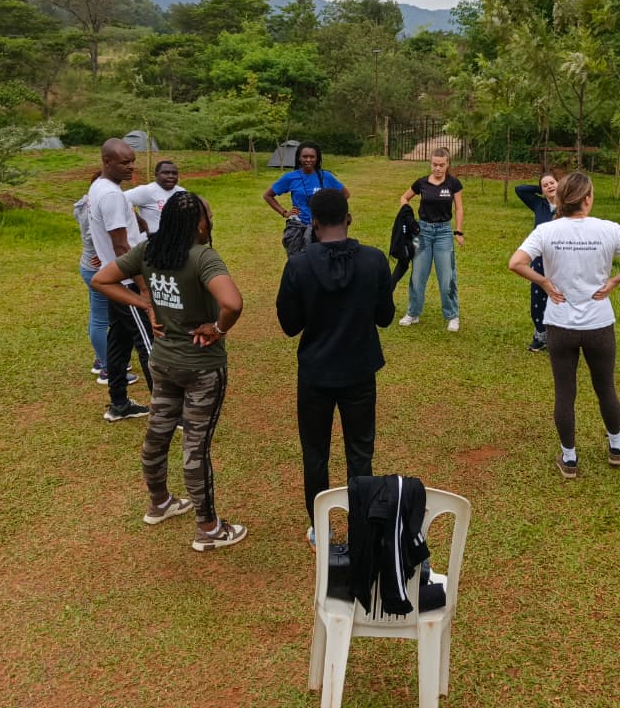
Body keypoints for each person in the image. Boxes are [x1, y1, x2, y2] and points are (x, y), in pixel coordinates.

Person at [91, 191, 248, 550]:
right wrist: (218, 329)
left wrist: (145, 302)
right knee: (195, 446)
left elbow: (101, 280)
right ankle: (208, 529)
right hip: (201, 368)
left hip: (162, 362)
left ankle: (159, 502)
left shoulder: (150, 250)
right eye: (209, 216)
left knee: (157, 433)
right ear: (199, 223)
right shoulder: (202, 256)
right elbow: (232, 303)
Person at [508, 171, 620, 479]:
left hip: (560, 323)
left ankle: (570, 458)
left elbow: (516, 263)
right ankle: (615, 447)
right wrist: (614, 281)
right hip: (599, 323)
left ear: (560, 199)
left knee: (565, 392)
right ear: (588, 199)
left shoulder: (547, 231)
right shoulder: (608, 229)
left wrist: (545, 283)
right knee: (605, 387)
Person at [276, 189, 395, 546]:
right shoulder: (374, 261)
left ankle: (320, 527)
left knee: (315, 453)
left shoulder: (298, 264)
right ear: (349, 219)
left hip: (315, 375)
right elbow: (385, 317)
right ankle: (362, 524)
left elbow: (289, 325)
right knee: (360, 452)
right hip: (359, 372)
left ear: (313, 223)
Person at [88, 138, 152, 421]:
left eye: (132, 161)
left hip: (111, 278)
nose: (131, 167)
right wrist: (143, 288)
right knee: (150, 344)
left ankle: (119, 403)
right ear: (107, 162)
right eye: (124, 162)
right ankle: (170, 413)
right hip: (125, 282)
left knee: (119, 342)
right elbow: (122, 248)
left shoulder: (100, 188)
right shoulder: (112, 195)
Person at [397, 147, 464, 331]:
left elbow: (459, 208)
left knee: (447, 277)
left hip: (444, 234)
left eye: (441, 165)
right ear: (430, 164)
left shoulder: (453, 184)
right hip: (422, 233)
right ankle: (413, 313)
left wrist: (458, 231)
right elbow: (404, 198)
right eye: (434, 165)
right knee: (418, 275)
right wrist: (409, 218)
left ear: (448, 164)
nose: (438, 169)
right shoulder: (421, 183)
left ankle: (452, 316)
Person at [262, 142, 349, 256]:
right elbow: (268, 195)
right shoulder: (290, 177)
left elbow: (345, 194)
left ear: (317, 158)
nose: (308, 160)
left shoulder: (325, 176)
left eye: (312, 157)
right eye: (305, 156)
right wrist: (284, 213)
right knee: (299, 263)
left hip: (322, 228)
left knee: (323, 261)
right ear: (299, 158)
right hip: (298, 228)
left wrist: (331, 211)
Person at [73, 171, 116, 379]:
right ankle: (107, 368)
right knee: (101, 319)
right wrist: (102, 252)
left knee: (96, 315)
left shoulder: (83, 204)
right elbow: (95, 235)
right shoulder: (94, 207)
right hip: (96, 268)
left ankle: (100, 359)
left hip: (88, 265)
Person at [515, 173, 559, 352]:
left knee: (558, 295)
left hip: (560, 258)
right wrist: (538, 188)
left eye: (552, 183)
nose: (549, 186)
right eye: (545, 185)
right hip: (540, 258)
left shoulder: (568, 206)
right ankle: (540, 335)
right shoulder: (539, 204)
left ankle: (558, 336)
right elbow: (520, 190)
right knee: (538, 295)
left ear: (559, 184)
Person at [125, 160, 185, 234]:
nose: (171, 176)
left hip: (177, 240)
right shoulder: (146, 190)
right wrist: (138, 220)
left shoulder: (181, 191)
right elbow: (119, 200)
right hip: (152, 242)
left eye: (174, 173)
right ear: (156, 175)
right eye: (166, 173)